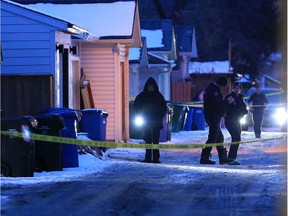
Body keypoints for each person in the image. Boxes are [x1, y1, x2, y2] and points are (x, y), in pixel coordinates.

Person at [200, 75, 237, 165]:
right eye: (223, 86)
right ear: (221, 84)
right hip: (213, 116)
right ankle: (204, 157)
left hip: (212, 116)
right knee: (213, 137)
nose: (223, 88)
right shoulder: (214, 91)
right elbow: (216, 105)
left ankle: (222, 157)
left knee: (219, 137)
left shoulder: (211, 89)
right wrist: (227, 102)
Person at [133, 77, 167, 163]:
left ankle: (156, 158)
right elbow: (136, 107)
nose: (150, 88)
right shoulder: (142, 97)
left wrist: (160, 117)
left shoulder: (159, 97)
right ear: (146, 87)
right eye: (149, 87)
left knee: (155, 141)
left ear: (154, 87)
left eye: (152, 87)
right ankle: (148, 157)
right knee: (148, 140)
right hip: (146, 122)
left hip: (156, 122)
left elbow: (163, 108)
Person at [224, 82, 248, 164]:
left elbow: (245, 110)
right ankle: (230, 158)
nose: (237, 89)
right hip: (230, 120)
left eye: (238, 88)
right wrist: (238, 110)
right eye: (235, 87)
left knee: (237, 139)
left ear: (240, 89)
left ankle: (232, 158)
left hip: (238, 121)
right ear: (233, 88)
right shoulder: (229, 97)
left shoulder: (240, 98)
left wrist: (238, 110)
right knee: (236, 137)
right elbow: (228, 109)